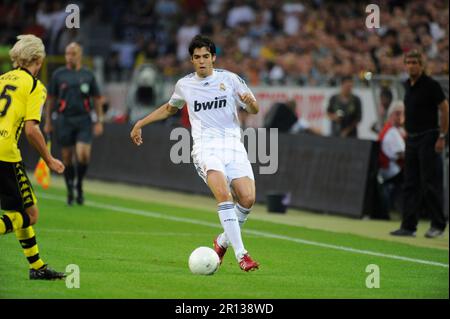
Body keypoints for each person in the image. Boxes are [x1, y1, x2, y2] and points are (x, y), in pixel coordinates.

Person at [130, 35, 260, 272]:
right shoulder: (185, 85)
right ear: (191, 60)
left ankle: (221, 242)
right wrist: (141, 122)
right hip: (205, 148)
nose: (202, 61)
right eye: (197, 57)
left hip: (233, 145)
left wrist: (250, 104)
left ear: (213, 58)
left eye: (206, 57)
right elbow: (170, 108)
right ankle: (242, 254)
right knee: (224, 195)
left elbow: (253, 107)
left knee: (248, 199)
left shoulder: (230, 80)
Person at [0, 34, 66, 279]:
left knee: (20, 210)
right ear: (38, 60)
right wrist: (49, 159)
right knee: (31, 215)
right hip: (5, 154)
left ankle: (37, 268)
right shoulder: (35, 86)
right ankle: (37, 268)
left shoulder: (1, 79)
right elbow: (31, 129)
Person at [391, 50, 449, 238]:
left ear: (421, 65)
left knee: (430, 183)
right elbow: (410, 107)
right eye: (408, 62)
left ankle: (438, 225)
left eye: (415, 62)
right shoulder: (408, 85)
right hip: (412, 138)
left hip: (429, 137)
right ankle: (408, 226)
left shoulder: (431, 85)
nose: (411, 65)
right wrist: (405, 121)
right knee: (410, 183)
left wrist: (442, 135)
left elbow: (445, 108)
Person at [44, 42, 104, 205]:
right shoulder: (58, 75)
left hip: (84, 119)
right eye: (67, 53)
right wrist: (48, 121)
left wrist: (99, 120)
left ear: (79, 55)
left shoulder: (88, 75)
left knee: (83, 154)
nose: (69, 56)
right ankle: (70, 188)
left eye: (72, 53)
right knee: (66, 157)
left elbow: (97, 99)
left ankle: (79, 184)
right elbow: (51, 100)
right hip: (64, 119)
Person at [377, 101, 406, 218]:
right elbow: (401, 154)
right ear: (390, 115)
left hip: (392, 168)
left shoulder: (396, 130)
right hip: (391, 170)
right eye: (397, 114)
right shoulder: (391, 131)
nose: (400, 117)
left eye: (402, 114)